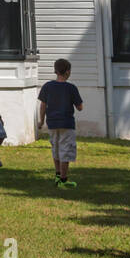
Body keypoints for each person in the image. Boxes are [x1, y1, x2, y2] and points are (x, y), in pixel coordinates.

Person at [38, 58, 84, 188]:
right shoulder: (71, 88)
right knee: (66, 150)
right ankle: (64, 180)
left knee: (56, 149)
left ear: (55, 71)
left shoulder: (47, 86)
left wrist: (41, 121)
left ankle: (58, 175)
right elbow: (80, 107)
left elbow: (42, 105)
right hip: (67, 124)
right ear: (68, 72)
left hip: (52, 123)